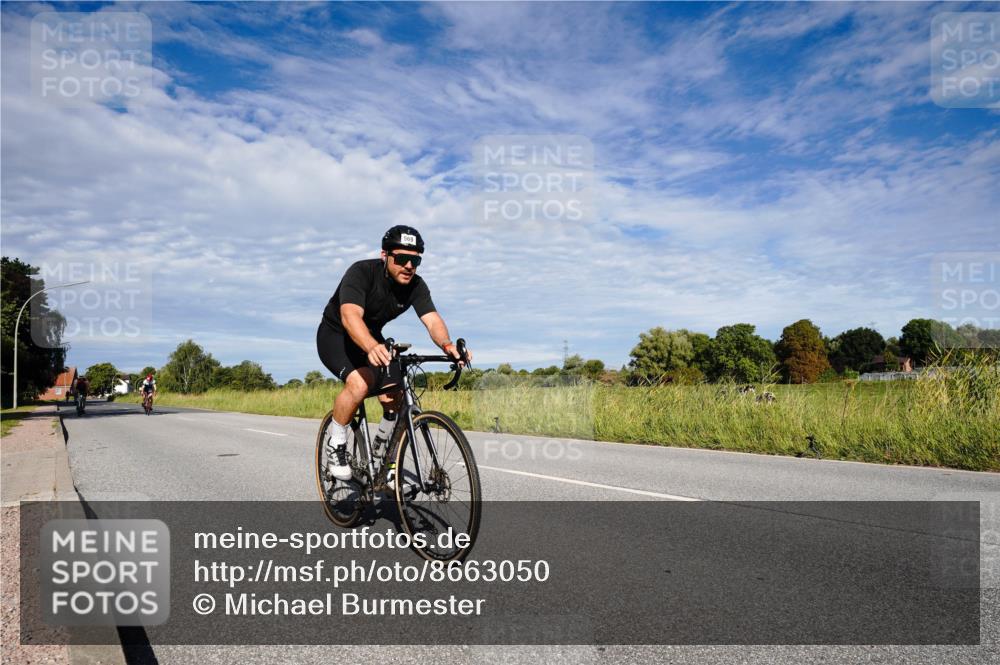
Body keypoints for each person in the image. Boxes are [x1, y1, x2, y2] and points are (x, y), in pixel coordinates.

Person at [316, 225, 471, 482]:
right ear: (384, 255)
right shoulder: (361, 272)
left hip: (371, 337)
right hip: (336, 335)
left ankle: (383, 456)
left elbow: (432, 320)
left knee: (396, 393)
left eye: (416, 260)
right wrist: (370, 346)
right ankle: (337, 442)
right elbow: (350, 316)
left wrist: (447, 346)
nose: (409, 265)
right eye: (401, 258)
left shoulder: (416, 286)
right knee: (359, 383)